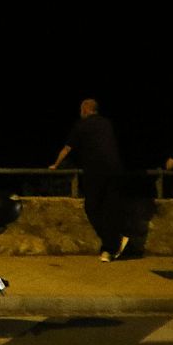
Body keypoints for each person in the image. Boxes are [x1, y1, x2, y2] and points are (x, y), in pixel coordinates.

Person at [51, 98, 129, 261]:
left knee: (91, 208)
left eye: (81, 110)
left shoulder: (82, 125)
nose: (80, 113)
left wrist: (55, 165)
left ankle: (113, 243)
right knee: (109, 209)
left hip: (96, 171)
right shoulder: (107, 123)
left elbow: (67, 148)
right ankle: (109, 249)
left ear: (85, 110)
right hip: (115, 170)